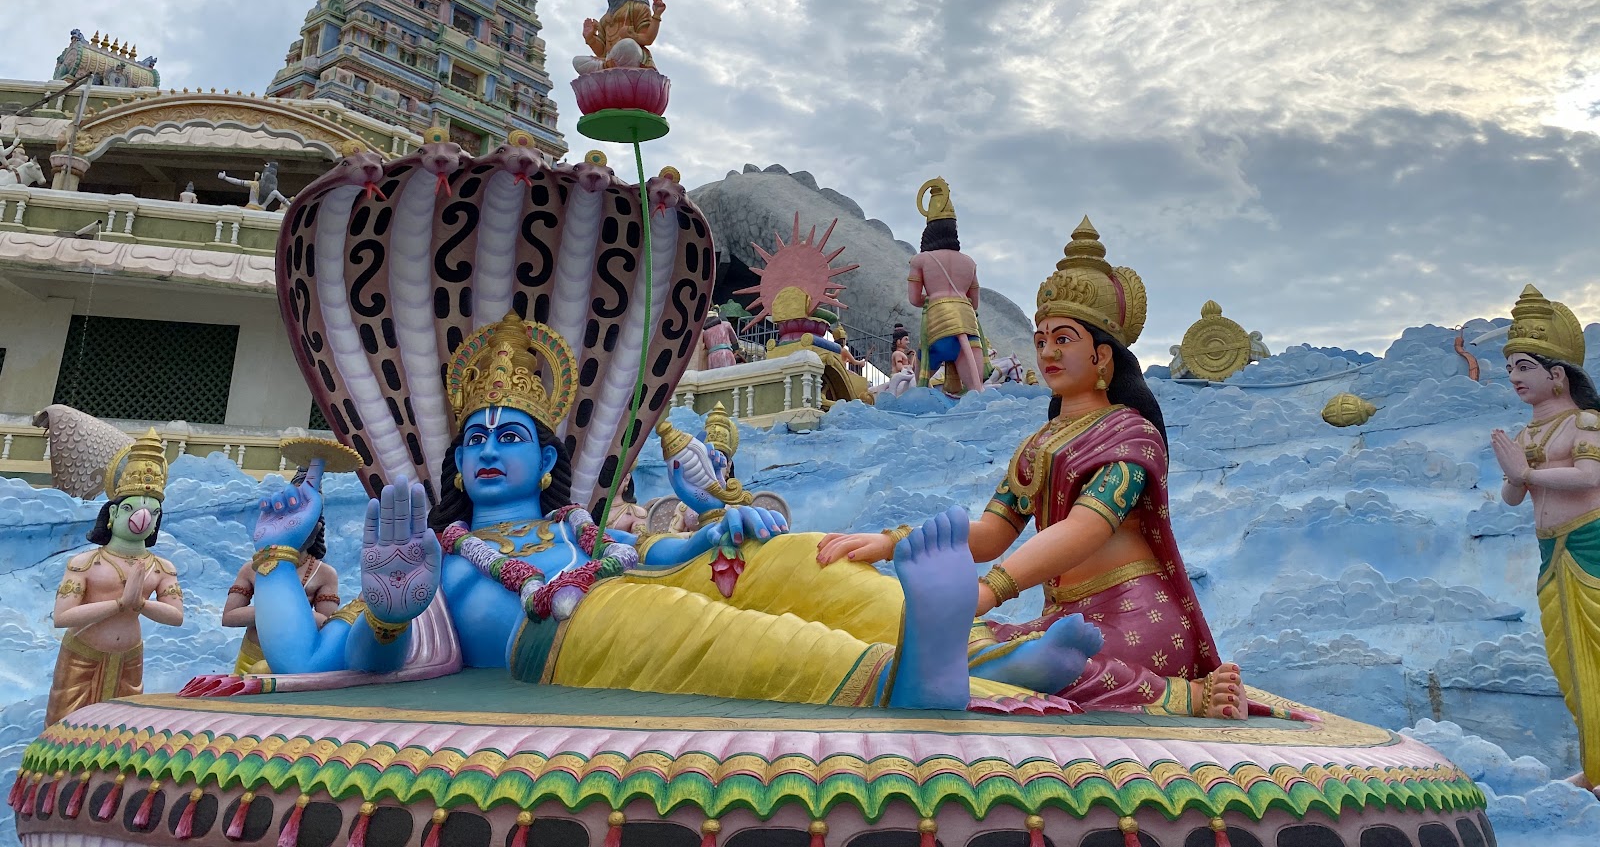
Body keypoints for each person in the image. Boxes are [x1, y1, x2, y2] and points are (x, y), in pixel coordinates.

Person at [247, 313, 1099, 710]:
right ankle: (904, 679)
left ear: (547, 459)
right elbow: (313, 654)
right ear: (458, 464)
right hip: (569, 632)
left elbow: (641, 556)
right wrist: (299, 564)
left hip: (626, 578)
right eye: (475, 440)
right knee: (720, 638)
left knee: (786, 559)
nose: (489, 450)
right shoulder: (434, 553)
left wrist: (715, 532)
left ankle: (986, 655)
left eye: (510, 436)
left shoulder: (576, 528)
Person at [821, 217, 1249, 718]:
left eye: (1063, 339)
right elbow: (991, 534)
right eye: (1041, 340)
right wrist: (893, 543)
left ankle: (1181, 694)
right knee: (962, 645)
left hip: (1136, 616)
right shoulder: (1037, 446)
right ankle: (1032, 663)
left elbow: (1085, 529)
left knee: (1048, 667)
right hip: (1063, 623)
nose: (1047, 352)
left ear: (1102, 355)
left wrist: (989, 590)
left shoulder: (1132, 435)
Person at [1489, 284, 1600, 794]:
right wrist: (1516, 474)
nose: (1514, 377)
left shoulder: (1586, 422)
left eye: (1524, 367)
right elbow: (1514, 497)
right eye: (1510, 368)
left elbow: (1589, 477)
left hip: (1589, 546)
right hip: (1551, 553)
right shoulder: (1527, 435)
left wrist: (1527, 474)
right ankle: (1596, 767)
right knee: (1569, 662)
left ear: (1557, 375)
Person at [46, 431, 184, 725]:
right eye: (130, 509)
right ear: (112, 514)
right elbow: (62, 616)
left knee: (123, 730)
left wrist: (141, 604)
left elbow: (176, 616)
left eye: (153, 512)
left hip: (129, 658)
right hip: (82, 656)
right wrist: (121, 604)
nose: (142, 517)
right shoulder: (85, 563)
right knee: (67, 727)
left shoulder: (161, 568)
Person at [222, 466, 338, 675]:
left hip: (296, 661)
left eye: (304, 521)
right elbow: (229, 616)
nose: (293, 527)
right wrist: (275, 612)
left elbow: (328, 626)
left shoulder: (324, 574)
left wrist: (283, 612)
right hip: (251, 657)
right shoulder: (253, 568)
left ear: (317, 527)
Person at [908, 178, 985, 396]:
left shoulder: (920, 260)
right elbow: (974, 303)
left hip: (937, 326)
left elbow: (914, 299)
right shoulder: (969, 262)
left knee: (920, 390)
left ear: (929, 230)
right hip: (968, 327)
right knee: (975, 393)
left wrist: (933, 298)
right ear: (953, 229)